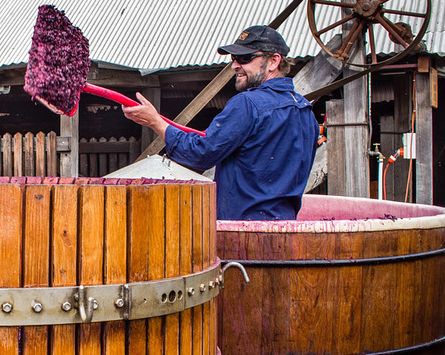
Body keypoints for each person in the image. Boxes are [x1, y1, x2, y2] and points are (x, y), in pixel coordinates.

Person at [122, 25, 319, 221]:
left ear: (274, 61)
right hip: (286, 232)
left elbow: (200, 153)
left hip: (243, 233)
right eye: (233, 58)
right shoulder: (305, 110)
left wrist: (156, 122)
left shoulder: (247, 104)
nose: (234, 65)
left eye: (245, 58)